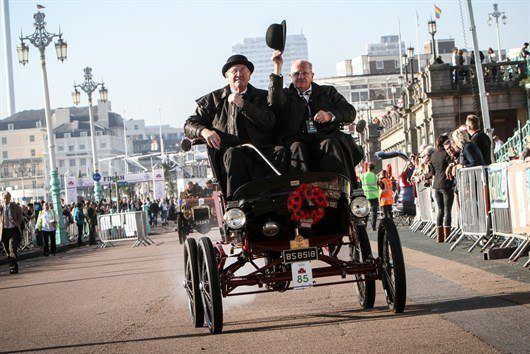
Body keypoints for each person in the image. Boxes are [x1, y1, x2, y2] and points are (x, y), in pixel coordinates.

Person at [184, 54, 279, 199]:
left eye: (243, 70)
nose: (239, 74)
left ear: (250, 74)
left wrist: (243, 105)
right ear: (227, 75)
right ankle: (236, 205)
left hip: (260, 151)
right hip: (230, 154)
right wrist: (204, 131)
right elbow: (189, 124)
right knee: (233, 155)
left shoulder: (262, 97)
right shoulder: (213, 100)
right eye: (235, 71)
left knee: (282, 152)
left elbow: (269, 122)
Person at [268, 50, 359, 183]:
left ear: (312, 75)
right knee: (296, 148)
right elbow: (273, 102)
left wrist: (330, 115)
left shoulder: (328, 92)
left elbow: (350, 112)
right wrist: (277, 68)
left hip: (323, 138)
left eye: (305, 73)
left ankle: (337, 190)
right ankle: (300, 191)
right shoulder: (285, 95)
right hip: (297, 139)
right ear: (290, 77)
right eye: (296, 74)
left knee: (331, 144)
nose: (301, 76)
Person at [430, 134, 455, 243]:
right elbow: (451, 165)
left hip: (436, 185)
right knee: (447, 210)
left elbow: (432, 172)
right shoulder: (446, 154)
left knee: (440, 210)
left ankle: (439, 237)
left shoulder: (433, 155)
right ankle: (447, 236)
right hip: (446, 183)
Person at [1, 192, 23, 274]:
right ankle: (13, 265)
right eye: (4, 198)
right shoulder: (0, 208)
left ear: (10, 198)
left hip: (13, 230)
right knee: (7, 250)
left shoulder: (15, 207)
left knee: (12, 249)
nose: (5, 199)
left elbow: (20, 217)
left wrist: (17, 224)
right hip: (4, 231)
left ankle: (12, 268)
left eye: (7, 198)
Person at [360, 163, 379, 231]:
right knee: (374, 212)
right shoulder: (375, 176)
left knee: (365, 212)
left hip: (366, 196)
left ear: (368, 167)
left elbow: (359, 180)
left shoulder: (363, 176)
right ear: (373, 168)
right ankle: (373, 226)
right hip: (374, 196)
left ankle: (364, 226)